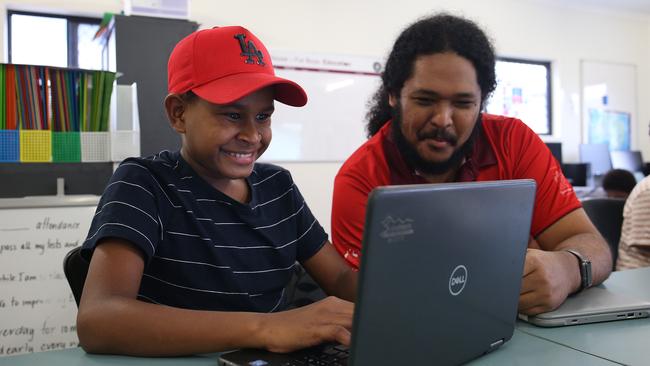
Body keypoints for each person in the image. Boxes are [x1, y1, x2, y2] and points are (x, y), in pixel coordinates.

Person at [76, 26, 357, 356]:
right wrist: (266, 328)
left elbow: (339, 278)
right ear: (178, 113)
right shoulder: (144, 183)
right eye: (233, 115)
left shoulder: (278, 187)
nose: (253, 135)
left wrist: (403, 301)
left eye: (263, 116)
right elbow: (98, 320)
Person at [331, 14, 612, 315]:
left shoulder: (514, 143)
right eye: (425, 100)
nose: (443, 119)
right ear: (392, 96)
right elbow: (377, 307)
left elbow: (594, 246)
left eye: (463, 103)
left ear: (482, 102)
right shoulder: (359, 180)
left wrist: (568, 268)